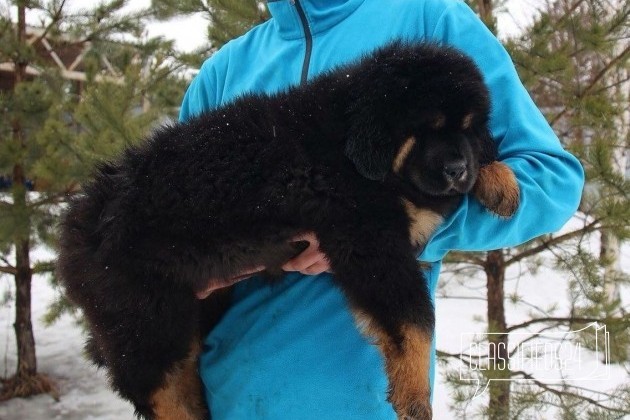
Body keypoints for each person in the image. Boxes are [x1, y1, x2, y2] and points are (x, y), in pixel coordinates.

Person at [179, 0, 584, 418]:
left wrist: (385, 233)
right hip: (231, 396)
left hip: (363, 401)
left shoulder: (426, 18)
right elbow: (172, 218)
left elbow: (551, 179)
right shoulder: (221, 74)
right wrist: (202, 264)